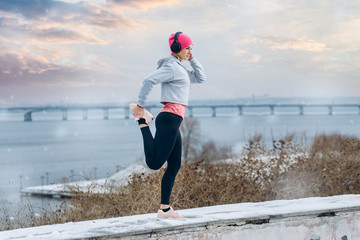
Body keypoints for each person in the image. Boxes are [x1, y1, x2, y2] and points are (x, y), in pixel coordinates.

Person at [129, 31, 206, 218]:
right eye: (187, 48)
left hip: (174, 122)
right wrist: (140, 105)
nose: (189, 51)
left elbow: (201, 78)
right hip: (168, 119)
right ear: (177, 48)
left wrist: (192, 58)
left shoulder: (181, 70)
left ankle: (164, 209)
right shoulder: (172, 67)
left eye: (191, 48)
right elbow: (149, 80)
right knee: (154, 163)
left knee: (174, 166)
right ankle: (143, 121)